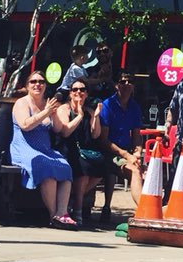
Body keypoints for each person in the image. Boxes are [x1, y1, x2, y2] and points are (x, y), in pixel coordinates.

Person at [10, 71, 75, 228]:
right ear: (27, 86)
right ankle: (53, 215)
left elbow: (58, 129)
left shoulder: (48, 102)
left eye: (41, 81)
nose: (37, 84)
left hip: (44, 149)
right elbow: (25, 125)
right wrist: (45, 112)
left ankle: (62, 212)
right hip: (25, 148)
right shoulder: (22, 103)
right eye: (33, 82)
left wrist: (54, 114)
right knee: (48, 171)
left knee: (65, 168)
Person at [97, 71, 144, 223]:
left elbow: (136, 135)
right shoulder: (107, 105)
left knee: (144, 170)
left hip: (126, 154)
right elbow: (104, 140)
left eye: (129, 81)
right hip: (109, 152)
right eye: (122, 82)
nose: (126, 85)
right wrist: (126, 155)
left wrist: (138, 151)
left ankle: (150, 207)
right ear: (116, 85)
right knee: (135, 171)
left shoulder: (135, 107)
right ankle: (145, 210)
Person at [55, 78, 103, 224]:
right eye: (75, 90)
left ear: (87, 93)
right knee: (83, 169)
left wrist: (95, 117)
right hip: (67, 148)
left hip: (84, 149)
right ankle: (78, 208)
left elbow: (96, 134)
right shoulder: (64, 109)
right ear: (70, 93)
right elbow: (65, 132)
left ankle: (74, 198)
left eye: (82, 90)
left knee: (101, 166)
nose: (78, 92)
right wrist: (79, 116)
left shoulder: (89, 111)